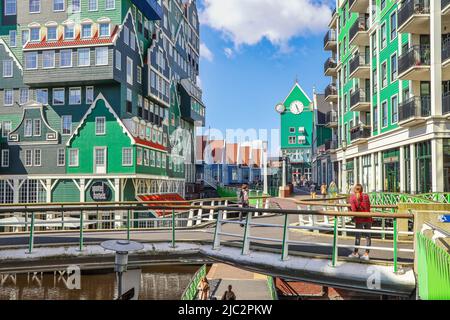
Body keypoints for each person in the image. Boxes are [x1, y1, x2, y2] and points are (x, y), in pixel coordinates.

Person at [348, 184, 372, 261]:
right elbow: (369, 206)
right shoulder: (366, 196)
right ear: (362, 189)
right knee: (368, 236)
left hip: (359, 219)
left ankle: (355, 253)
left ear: (354, 190)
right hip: (368, 218)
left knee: (358, 236)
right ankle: (367, 254)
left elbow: (354, 211)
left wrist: (349, 209)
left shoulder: (352, 197)